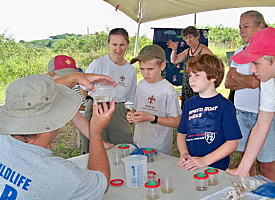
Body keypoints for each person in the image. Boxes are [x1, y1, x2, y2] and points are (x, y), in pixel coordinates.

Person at [0, 74, 115, 199]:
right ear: (51, 123)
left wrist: (74, 78)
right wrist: (96, 132)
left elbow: (33, 99)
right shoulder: (59, 176)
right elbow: (101, 181)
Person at [224, 11, 275, 179]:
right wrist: (242, 168)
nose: (252, 70)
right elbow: (262, 124)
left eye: (256, 63)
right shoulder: (268, 81)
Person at [177, 54, 242, 171]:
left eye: (197, 75)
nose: (191, 79)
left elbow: (232, 143)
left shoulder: (225, 106)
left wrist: (205, 160)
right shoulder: (188, 104)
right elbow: (182, 134)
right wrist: (184, 153)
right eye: (190, 75)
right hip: (191, 165)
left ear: (213, 77)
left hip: (216, 169)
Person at [81, 28, 137, 153]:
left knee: (123, 146)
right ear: (108, 43)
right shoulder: (98, 64)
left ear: (128, 44)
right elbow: (84, 87)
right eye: (114, 44)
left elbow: (131, 96)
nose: (118, 49)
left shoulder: (130, 70)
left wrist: (126, 112)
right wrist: (90, 105)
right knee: (93, 147)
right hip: (96, 106)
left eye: (122, 44)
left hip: (118, 108)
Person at [47, 55, 114, 150]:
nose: (70, 83)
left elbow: (78, 119)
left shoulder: (65, 95)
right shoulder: (38, 94)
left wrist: (99, 142)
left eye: (72, 79)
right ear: (48, 76)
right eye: (65, 78)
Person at [127, 44, 182, 155]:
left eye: (150, 69)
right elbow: (135, 108)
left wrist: (152, 118)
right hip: (139, 143)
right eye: (142, 69)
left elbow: (177, 121)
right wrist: (131, 115)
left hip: (159, 147)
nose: (145, 73)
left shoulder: (168, 89)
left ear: (162, 66)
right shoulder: (141, 85)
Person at [166, 26, 213, 107]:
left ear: (197, 36)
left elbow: (215, 65)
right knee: (187, 110)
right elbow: (174, 60)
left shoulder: (204, 50)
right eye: (186, 38)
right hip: (187, 86)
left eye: (190, 37)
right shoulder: (188, 51)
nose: (189, 40)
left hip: (199, 86)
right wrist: (174, 50)